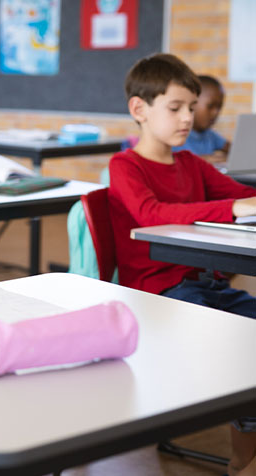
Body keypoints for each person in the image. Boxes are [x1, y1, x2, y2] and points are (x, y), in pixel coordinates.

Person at [108, 53, 256, 476]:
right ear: (139, 109)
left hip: (206, 284)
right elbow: (150, 214)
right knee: (242, 345)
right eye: (175, 108)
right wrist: (233, 207)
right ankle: (244, 460)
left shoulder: (191, 163)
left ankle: (243, 457)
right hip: (160, 295)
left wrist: (243, 202)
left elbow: (241, 194)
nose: (188, 118)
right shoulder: (125, 165)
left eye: (191, 107)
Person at [173, 74, 230, 162]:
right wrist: (212, 159)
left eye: (219, 107)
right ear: (192, 103)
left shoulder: (210, 134)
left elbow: (235, 149)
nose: (216, 113)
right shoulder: (176, 134)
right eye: (210, 106)